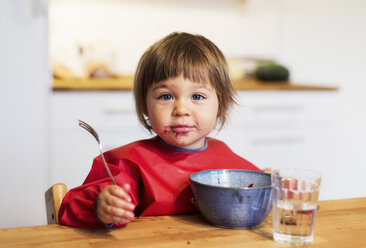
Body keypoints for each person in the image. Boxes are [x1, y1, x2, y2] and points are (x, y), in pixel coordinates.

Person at [58, 32, 262, 228]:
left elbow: (262, 192)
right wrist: (100, 206)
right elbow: (69, 207)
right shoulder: (128, 162)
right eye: (166, 96)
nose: (181, 110)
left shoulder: (226, 160)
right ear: (145, 105)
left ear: (221, 105)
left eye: (197, 97)